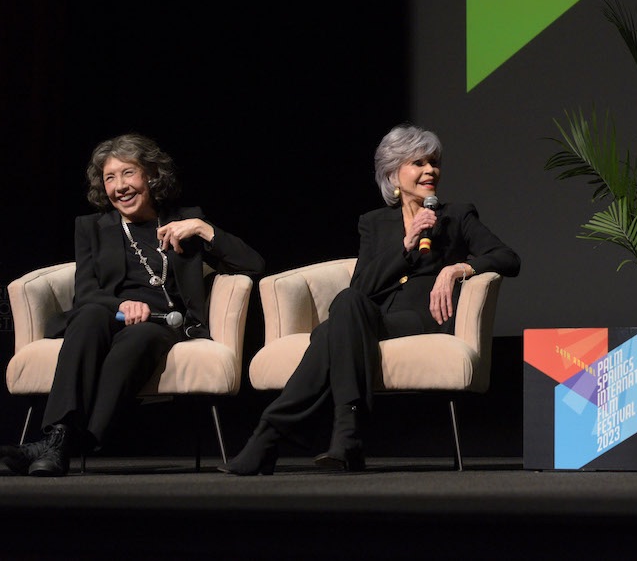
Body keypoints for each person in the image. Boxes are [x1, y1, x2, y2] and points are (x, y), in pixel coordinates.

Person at [221, 124, 520, 475]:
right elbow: (362, 287)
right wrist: (405, 246)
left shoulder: (456, 216)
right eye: (418, 163)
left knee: (328, 334)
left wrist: (457, 269)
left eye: (434, 162)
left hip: (423, 320)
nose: (430, 171)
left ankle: (271, 436)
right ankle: (345, 435)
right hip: (372, 318)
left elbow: (508, 258)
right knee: (347, 302)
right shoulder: (374, 223)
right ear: (393, 174)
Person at [0, 133, 265, 477]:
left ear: (152, 176)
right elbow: (86, 292)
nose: (119, 186)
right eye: (110, 177)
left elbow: (254, 265)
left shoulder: (185, 220)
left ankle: (63, 444)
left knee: (138, 340)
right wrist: (124, 303)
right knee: (90, 314)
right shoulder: (92, 227)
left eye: (128, 173)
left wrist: (203, 229)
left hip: (163, 324)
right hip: (108, 312)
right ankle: (60, 434)